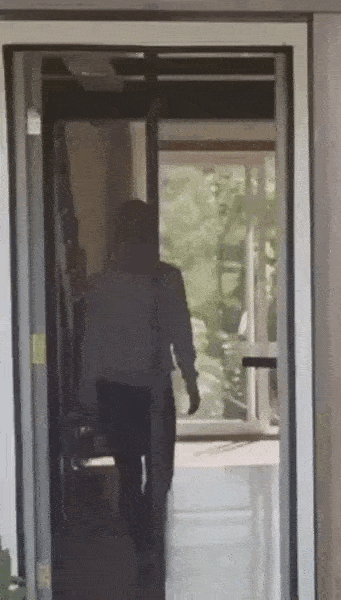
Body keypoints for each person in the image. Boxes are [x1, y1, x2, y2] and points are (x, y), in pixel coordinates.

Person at [78, 199, 200, 591]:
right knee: (151, 473)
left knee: (135, 474)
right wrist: (190, 377)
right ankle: (147, 542)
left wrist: (87, 391)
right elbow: (180, 331)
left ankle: (144, 543)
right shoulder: (157, 279)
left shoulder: (108, 283)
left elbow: (93, 342)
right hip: (143, 389)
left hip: (125, 389)